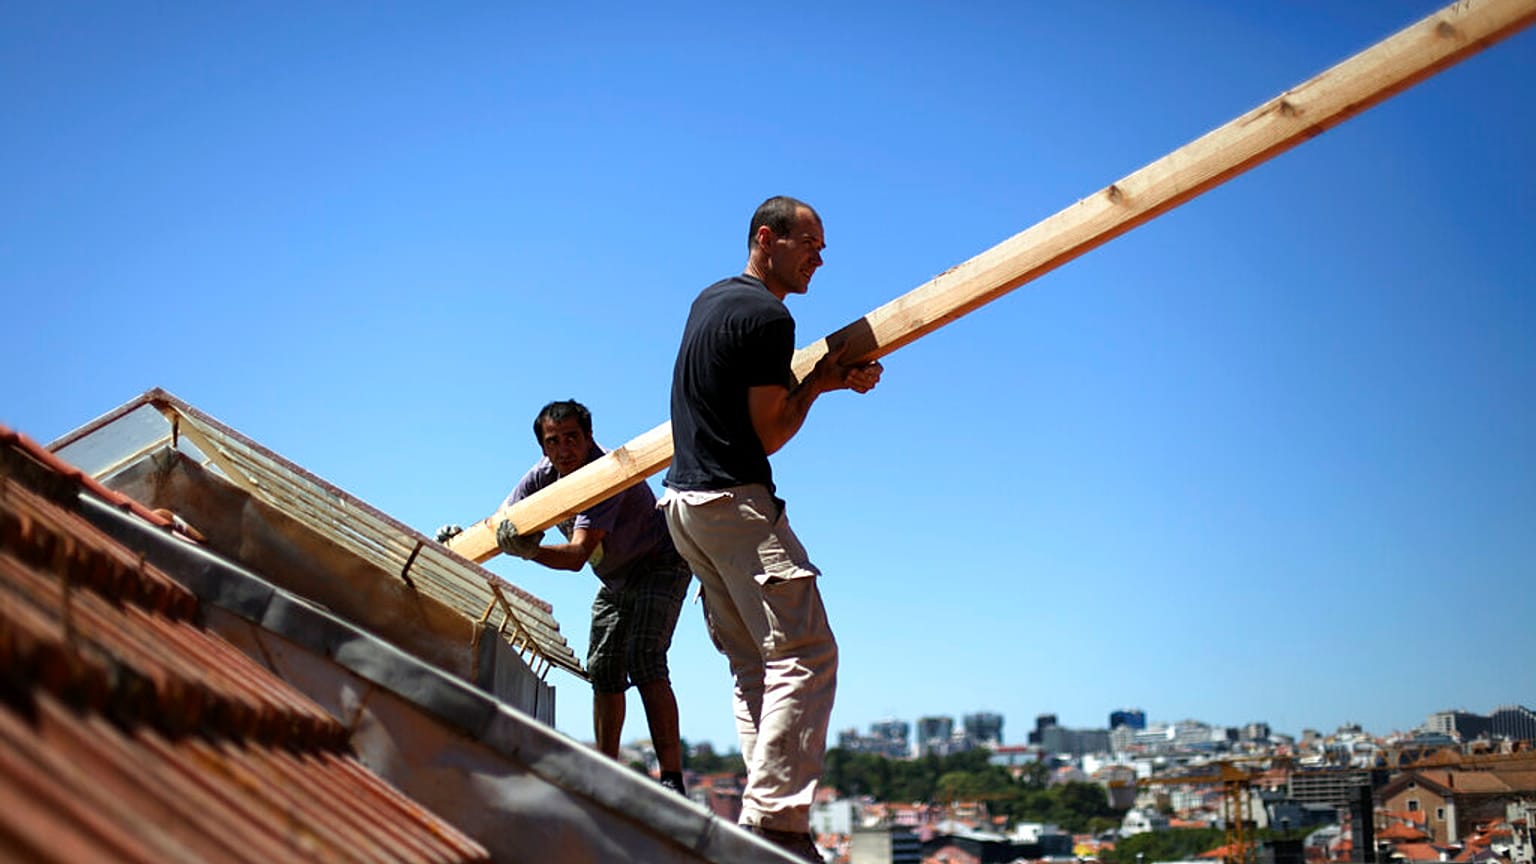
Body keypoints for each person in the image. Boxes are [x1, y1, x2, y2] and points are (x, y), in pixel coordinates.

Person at [659, 195, 883, 861]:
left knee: (756, 666)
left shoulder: (714, 300)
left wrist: (818, 381)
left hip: (683, 505)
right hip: (732, 502)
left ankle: (772, 828)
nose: (820, 256)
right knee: (807, 655)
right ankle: (773, 828)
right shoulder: (768, 316)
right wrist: (815, 383)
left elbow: (738, 402)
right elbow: (769, 431)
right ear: (768, 238)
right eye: (809, 242)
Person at [436, 400, 692, 795]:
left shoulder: (602, 476)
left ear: (588, 437)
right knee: (603, 669)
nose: (564, 449)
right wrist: (461, 541)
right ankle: (607, 776)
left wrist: (529, 551)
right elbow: (504, 523)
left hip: (661, 561)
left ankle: (672, 779)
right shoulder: (542, 477)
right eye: (553, 441)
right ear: (543, 448)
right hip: (615, 577)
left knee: (644, 657)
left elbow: (576, 557)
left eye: (572, 438)